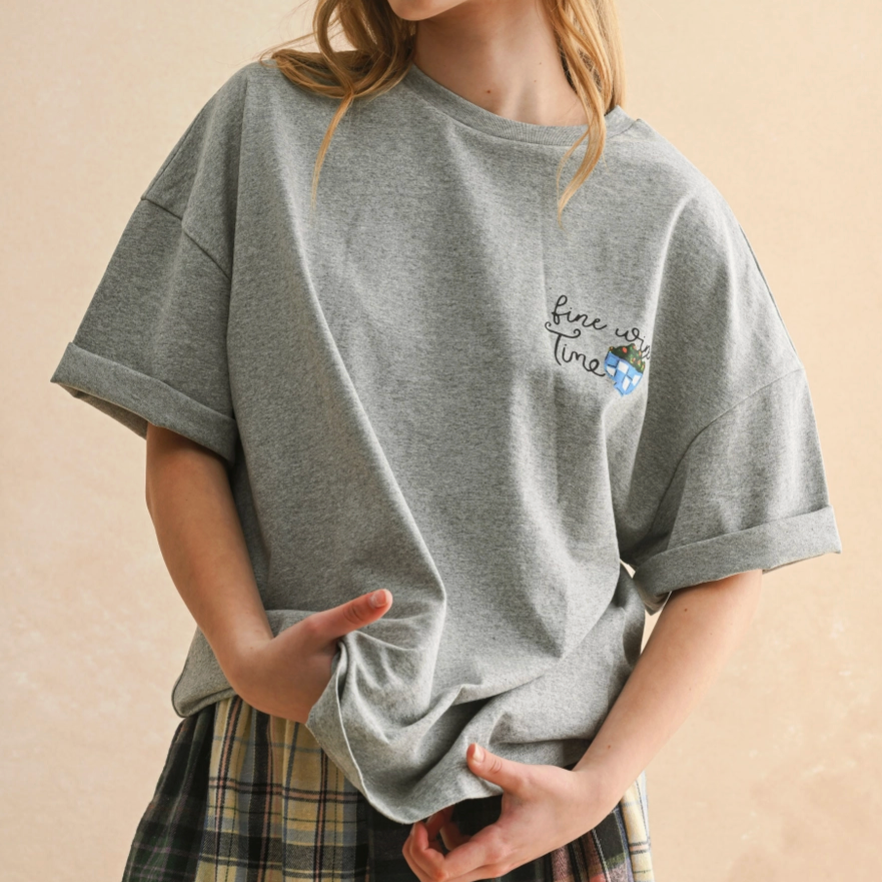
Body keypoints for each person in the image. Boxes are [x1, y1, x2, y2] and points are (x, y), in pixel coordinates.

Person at [49, 0, 843, 879]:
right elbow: (183, 427)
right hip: (280, 751)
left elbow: (726, 553)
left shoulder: (665, 211)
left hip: (532, 801)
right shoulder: (269, 125)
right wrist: (246, 656)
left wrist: (596, 787)